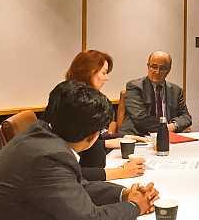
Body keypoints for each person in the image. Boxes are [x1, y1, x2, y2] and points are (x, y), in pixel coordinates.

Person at [0, 81, 159, 220]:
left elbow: (76, 187)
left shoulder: (39, 134)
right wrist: (134, 206)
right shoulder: (49, 157)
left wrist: (122, 194)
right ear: (93, 135)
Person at [42, 50, 144, 181]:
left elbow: (91, 141)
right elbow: (66, 169)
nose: (107, 78)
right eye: (104, 72)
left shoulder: (82, 99)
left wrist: (123, 137)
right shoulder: (72, 102)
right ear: (89, 71)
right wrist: (120, 171)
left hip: (91, 175)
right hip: (81, 182)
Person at [120, 51, 192, 135]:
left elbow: (186, 117)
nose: (157, 72)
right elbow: (140, 118)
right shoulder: (134, 87)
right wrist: (164, 128)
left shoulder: (176, 91)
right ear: (148, 66)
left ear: (169, 69)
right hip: (138, 137)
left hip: (168, 136)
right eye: (154, 67)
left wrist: (174, 125)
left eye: (162, 68)